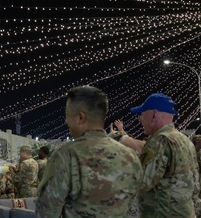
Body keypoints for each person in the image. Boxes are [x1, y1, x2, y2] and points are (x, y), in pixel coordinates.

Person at [36, 85, 143, 218]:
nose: (66, 121)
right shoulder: (130, 156)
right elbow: (134, 210)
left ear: (81, 117)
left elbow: (46, 211)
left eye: (67, 115)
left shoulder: (66, 155)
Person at [130, 93, 201, 217]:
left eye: (142, 114)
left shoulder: (160, 141)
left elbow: (142, 183)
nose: (140, 119)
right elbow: (195, 183)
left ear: (154, 115)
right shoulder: (184, 140)